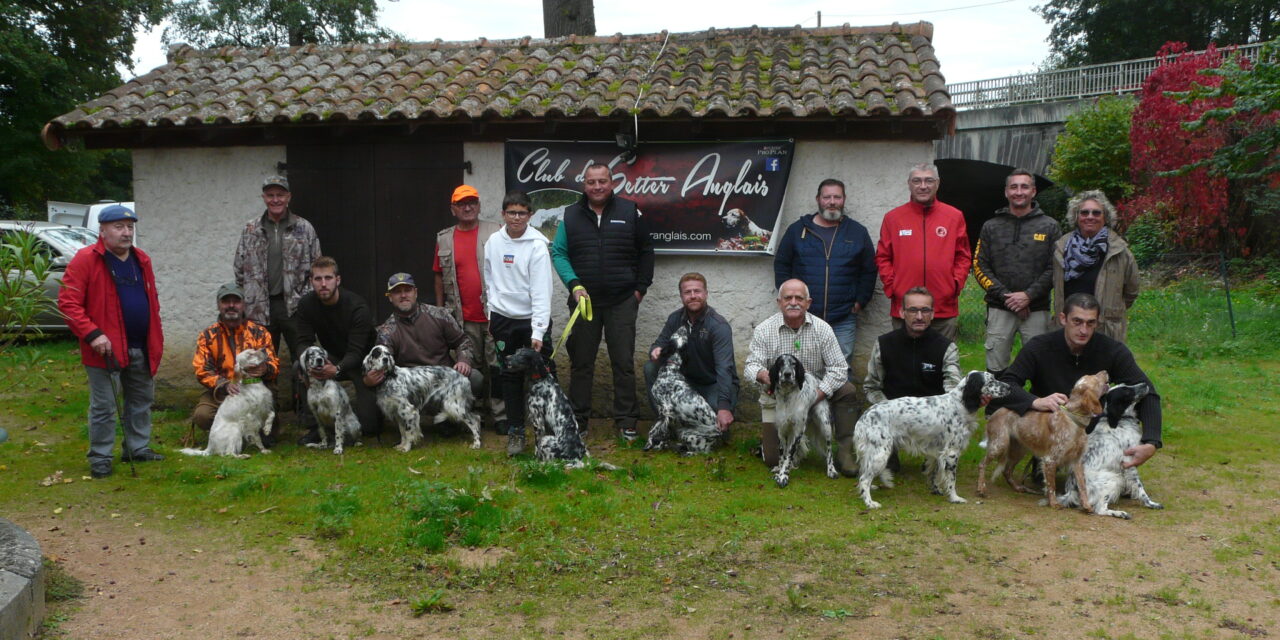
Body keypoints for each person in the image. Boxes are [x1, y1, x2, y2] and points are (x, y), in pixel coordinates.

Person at [58, 204, 165, 478]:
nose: (126, 232)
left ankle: (137, 448)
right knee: (105, 406)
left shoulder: (142, 259)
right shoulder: (85, 260)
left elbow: (151, 301)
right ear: (102, 231)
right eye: (119, 227)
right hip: (104, 348)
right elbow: (68, 303)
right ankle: (100, 457)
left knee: (140, 400)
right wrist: (93, 334)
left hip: (141, 343)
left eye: (130, 227)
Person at [997, 293, 1163, 468]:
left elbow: (1148, 392)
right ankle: (1045, 463)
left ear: (1097, 323)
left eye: (1090, 323)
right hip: (1050, 430)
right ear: (1063, 318)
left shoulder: (1113, 351)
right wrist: (1035, 401)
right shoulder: (1039, 347)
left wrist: (1151, 442)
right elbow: (1007, 384)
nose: (1084, 330)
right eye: (1077, 321)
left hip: (1092, 431)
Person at [551, 163, 654, 440]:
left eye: (602, 181)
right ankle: (578, 420)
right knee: (581, 362)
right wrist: (574, 285)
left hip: (622, 300)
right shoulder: (570, 215)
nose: (597, 187)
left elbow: (646, 250)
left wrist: (639, 289)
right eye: (591, 182)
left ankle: (626, 420)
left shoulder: (630, 211)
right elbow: (558, 253)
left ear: (612, 183)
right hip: (584, 303)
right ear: (584, 185)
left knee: (623, 362)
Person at [744, 279, 860, 477]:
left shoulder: (822, 329)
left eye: (799, 298)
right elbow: (750, 366)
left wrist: (818, 394)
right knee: (772, 460)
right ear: (779, 302)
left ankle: (844, 453)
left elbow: (839, 368)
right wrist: (764, 376)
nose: (793, 302)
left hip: (814, 392)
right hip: (778, 396)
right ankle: (782, 444)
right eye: (788, 298)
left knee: (848, 390)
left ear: (808, 302)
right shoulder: (764, 329)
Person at [482, 191, 555, 456]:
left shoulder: (537, 245)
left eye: (522, 213)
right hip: (503, 321)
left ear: (530, 215)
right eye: (511, 213)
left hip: (532, 322)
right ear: (503, 214)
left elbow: (541, 291)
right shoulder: (493, 242)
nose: (516, 218)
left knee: (543, 376)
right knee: (509, 377)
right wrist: (492, 316)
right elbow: (489, 280)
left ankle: (549, 430)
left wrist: (538, 330)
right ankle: (515, 432)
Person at [773, 179, 877, 361]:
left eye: (837, 197)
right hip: (804, 316)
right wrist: (790, 300)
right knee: (802, 363)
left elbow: (869, 269)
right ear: (818, 199)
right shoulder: (797, 231)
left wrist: (860, 301)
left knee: (841, 366)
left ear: (844, 199)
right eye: (826, 197)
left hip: (843, 317)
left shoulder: (857, 232)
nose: (832, 201)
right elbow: (782, 264)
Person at [972, 168, 1062, 375]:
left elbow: (1055, 267)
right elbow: (979, 265)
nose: (1019, 192)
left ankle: (1041, 406)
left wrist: (1028, 296)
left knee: (1042, 365)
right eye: (1014, 187)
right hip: (999, 308)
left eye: (1024, 187)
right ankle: (999, 406)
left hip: (1037, 309)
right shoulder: (991, 226)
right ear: (1006, 192)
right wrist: (1009, 299)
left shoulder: (1050, 226)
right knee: (996, 367)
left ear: (1033, 191)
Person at [362, 272, 483, 418]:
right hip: (414, 388)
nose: (403, 295)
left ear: (415, 292)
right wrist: (369, 379)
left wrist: (463, 359)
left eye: (407, 290)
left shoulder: (439, 315)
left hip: (445, 380)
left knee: (475, 378)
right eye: (397, 292)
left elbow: (463, 341)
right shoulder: (386, 331)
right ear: (390, 297)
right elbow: (383, 364)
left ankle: (462, 412)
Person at [875, 163, 971, 341]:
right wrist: (894, 287)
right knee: (904, 361)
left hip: (943, 307)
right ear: (909, 184)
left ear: (938, 183)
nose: (923, 186)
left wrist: (954, 285)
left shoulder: (954, 216)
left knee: (942, 361)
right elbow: (883, 257)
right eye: (917, 181)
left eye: (929, 180)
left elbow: (963, 256)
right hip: (905, 309)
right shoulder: (893, 218)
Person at [434, 184, 504, 429]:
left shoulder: (495, 231)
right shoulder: (444, 238)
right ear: (453, 209)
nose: (468, 207)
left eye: (472, 202)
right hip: (462, 319)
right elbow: (438, 276)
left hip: (494, 315)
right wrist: (441, 312)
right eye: (462, 203)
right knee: (469, 369)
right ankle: (472, 414)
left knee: (497, 365)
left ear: (479, 205)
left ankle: (500, 415)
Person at [232, 175, 321, 362]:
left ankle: (300, 393)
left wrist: (306, 297)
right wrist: (251, 294)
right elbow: (239, 268)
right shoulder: (250, 229)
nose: (275, 200)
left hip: (295, 308)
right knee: (260, 361)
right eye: (270, 195)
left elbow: (317, 267)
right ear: (263, 198)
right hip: (259, 308)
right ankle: (267, 393)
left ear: (289, 197)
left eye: (280, 195)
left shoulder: (304, 228)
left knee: (303, 359)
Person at [294, 256, 378, 444]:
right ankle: (315, 427)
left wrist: (337, 369)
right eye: (318, 279)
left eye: (328, 278)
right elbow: (303, 341)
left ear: (337, 280)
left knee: (370, 428)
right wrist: (306, 365)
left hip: (362, 362)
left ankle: (358, 419)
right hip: (331, 356)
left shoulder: (357, 307)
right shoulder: (306, 304)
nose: (323, 284)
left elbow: (356, 352)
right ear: (311, 282)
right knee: (297, 366)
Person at [643, 273, 740, 434]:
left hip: (713, 383)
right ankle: (666, 423)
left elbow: (725, 368)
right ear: (681, 296)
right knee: (650, 368)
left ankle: (717, 417)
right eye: (688, 292)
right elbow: (658, 344)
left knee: (715, 420)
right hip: (685, 384)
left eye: (697, 291)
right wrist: (655, 351)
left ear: (706, 294)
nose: (693, 296)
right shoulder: (674, 319)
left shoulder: (718, 326)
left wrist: (724, 406)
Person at [191, 283, 280, 437]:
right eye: (226, 301)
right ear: (219, 305)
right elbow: (202, 370)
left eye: (236, 301)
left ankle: (253, 432)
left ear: (243, 305)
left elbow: (274, 363)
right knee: (202, 416)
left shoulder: (259, 333)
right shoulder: (207, 336)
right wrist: (224, 384)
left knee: (268, 428)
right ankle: (229, 434)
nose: (231, 305)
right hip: (223, 392)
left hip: (254, 390)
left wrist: (265, 369)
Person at [1053, 190, 1139, 342]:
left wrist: (1111, 310)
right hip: (1068, 328)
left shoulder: (1119, 251)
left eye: (1096, 213)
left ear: (1105, 217)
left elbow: (1131, 291)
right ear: (1076, 217)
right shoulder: (1061, 248)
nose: (1090, 217)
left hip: (1105, 329)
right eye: (1084, 212)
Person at [863, 286, 963, 405]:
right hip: (892, 415)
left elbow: (954, 391)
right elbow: (871, 387)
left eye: (925, 310)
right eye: (913, 310)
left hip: (933, 417)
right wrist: (889, 409)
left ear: (932, 314)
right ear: (902, 313)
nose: (919, 317)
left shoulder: (946, 348)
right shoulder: (883, 344)